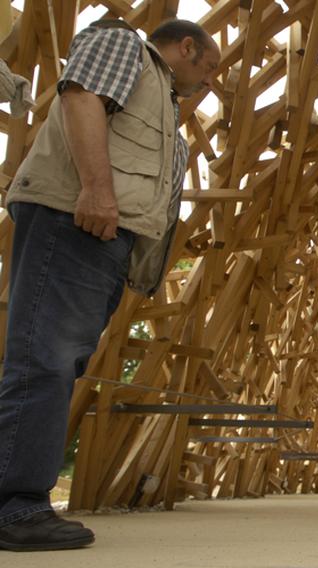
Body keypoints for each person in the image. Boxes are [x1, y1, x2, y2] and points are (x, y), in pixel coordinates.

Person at [0, 19, 219, 552]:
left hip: (99, 236)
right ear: (186, 45)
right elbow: (82, 96)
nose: (209, 82)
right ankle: (16, 506)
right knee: (45, 358)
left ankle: (21, 500)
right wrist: (97, 190)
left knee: (59, 360)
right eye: (208, 67)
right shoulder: (127, 47)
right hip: (76, 219)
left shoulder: (163, 101)